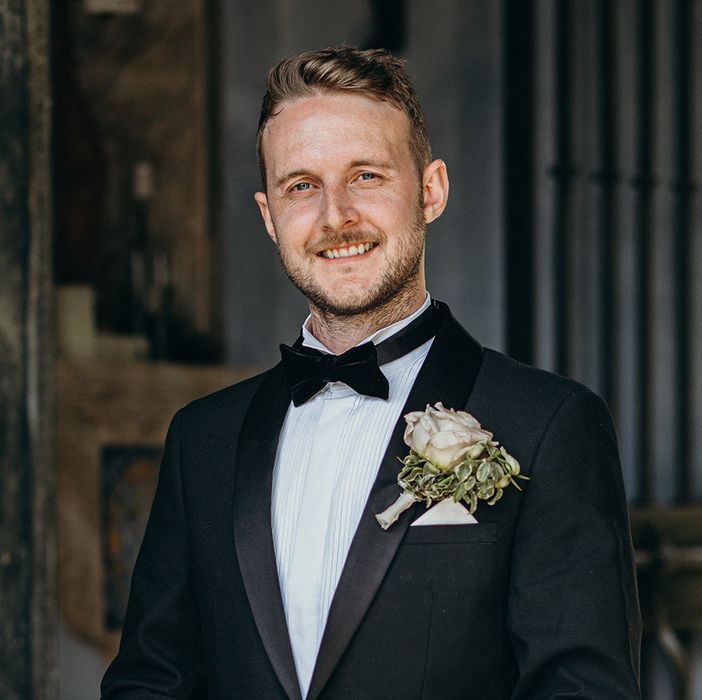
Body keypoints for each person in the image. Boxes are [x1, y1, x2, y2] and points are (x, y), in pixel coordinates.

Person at [102, 46, 641, 699]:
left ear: (430, 190)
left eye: (366, 176)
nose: (336, 216)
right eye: (301, 185)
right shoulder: (202, 440)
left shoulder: (550, 424)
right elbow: (151, 683)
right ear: (270, 217)